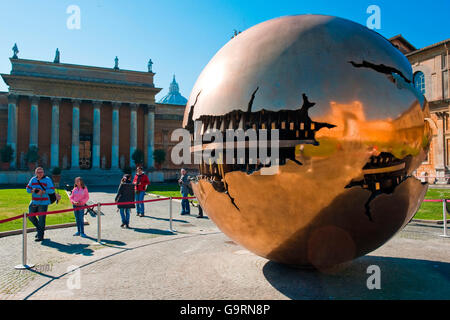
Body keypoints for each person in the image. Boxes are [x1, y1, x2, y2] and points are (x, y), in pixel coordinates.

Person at [26, 167, 56, 241]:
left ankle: (40, 236)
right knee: (30, 216)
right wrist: (32, 190)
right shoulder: (33, 179)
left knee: (41, 219)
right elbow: (27, 189)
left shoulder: (47, 179)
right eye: (38, 172)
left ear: (43, 173)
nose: (40, 173)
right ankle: (40, 229)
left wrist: (43, 191)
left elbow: (52, 190)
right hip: (34, 201)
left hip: (44, 202)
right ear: (36, 173)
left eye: (41, 172)